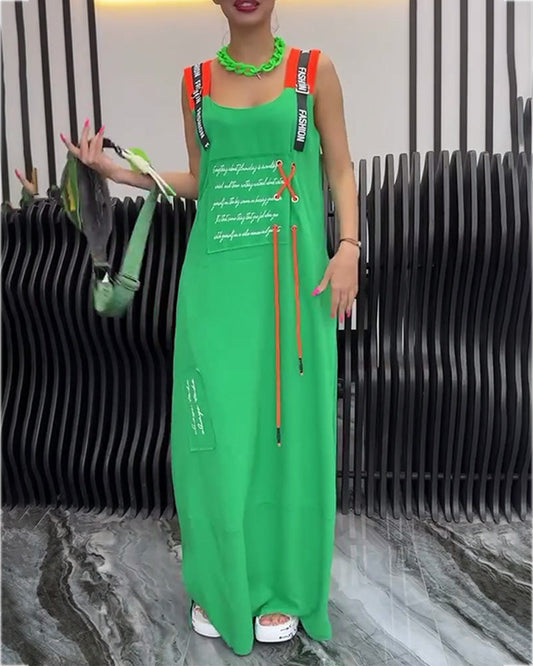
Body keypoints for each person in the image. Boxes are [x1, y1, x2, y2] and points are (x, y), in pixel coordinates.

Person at [56, 0, 359, 656]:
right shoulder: (193, 82)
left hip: (295, 287)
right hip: (216, 286)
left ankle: (284, 585)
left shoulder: (313, 71)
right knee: (214, 438)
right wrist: (117, 172)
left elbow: (339, 166)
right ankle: (221, 580)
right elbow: (201, 179)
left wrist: (348, 248)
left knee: (289, 434)